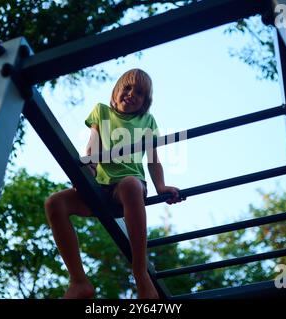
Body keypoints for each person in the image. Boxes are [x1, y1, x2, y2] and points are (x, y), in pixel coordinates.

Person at [44, 68, 184, 299]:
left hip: (128, 190)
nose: (131, 94)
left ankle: (140, 273)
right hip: (100, 188)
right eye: (127, 88)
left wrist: (161, 187)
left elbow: (153, 160)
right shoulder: (101, 112)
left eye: (139, 93)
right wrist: (86, 171)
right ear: (116, 90)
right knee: (54, 203)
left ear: (145, 102)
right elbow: (92, 147)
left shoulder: (146, 121)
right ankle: (79, 281)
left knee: (130, 184)